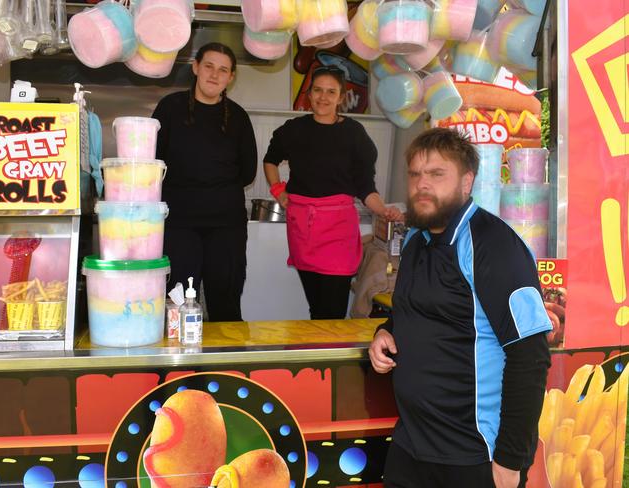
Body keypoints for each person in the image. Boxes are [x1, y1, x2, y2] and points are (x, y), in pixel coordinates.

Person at [368, 128, 552, 488]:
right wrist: (385, 332)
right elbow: (411, 311)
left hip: (473, 456)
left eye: (437, 174)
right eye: (416, 174)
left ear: (467, 181)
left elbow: (530, 356)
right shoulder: (416, 240)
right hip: (411, 445)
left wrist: (510, 460)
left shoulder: (493, 245)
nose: (422, 184)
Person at [263, 65, 402, 320]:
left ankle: (326, 358)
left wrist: (382, 210)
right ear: (309, 93)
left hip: (338, 232)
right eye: (317, 90)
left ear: (341, 97)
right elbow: (270, 159)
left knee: (332, 311)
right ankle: (318, 359)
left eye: (331, 92)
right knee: (316, 307)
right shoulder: (293, 130)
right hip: (302, 229)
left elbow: (365, 186)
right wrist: (278, 190)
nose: (323, 97)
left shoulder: (354, 135)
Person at [153, 43, 257, 322]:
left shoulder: (238, 117)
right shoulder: (170, 108)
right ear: (196, 67)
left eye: (223, 70)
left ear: (231, 77)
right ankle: (176, 367)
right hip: (179, 224)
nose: (215, 75)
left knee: (226, 302)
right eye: (209, 66)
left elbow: (248, 172)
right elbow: (153, 163)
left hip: (226, 227)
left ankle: (227, 364)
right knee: (178, 301)